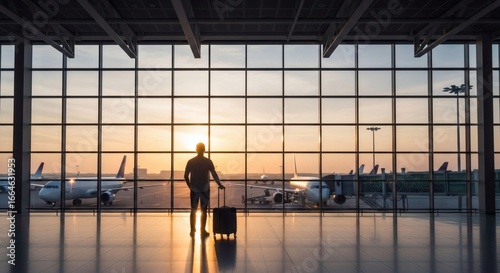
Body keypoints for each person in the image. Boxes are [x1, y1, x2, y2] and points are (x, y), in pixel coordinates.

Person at [184, 142, 225, 237]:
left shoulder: (191, 161)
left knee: (193, 210)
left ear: (196, 149)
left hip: (194, 190)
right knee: (204, 211)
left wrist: (190, 186)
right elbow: (214, 174)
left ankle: (192, 230)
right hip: (205, 190)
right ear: (204, 150)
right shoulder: (208, 161)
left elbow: (185, 176)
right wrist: (219, 184)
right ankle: (203, 231)